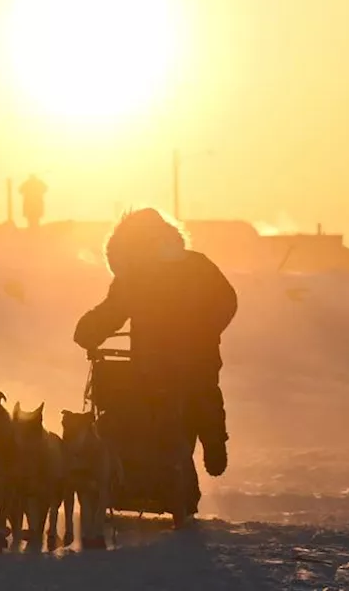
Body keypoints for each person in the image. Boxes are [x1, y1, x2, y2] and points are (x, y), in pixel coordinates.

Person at [72, 207, 237, 518]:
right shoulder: (188, 266)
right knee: (199, 399)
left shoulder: (146, 275)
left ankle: (206, 448)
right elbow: (227, 300)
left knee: (189, 402)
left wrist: (87, 332)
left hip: (170, 359)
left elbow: (111, 311)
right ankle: (196, 451)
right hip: (175, 358)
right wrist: (207, 330)